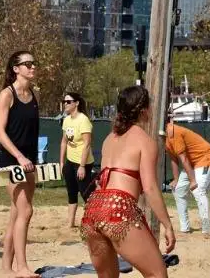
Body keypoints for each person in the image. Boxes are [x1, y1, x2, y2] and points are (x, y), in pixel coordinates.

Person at [80, 85, 175, 277]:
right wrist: (168, 225)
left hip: (93, 210)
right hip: (118, 208)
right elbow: (149, 187)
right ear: (144, 110)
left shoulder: (109, 139)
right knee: (157, 274)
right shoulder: (145, 142)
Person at [0, 51, 40, 278]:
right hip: (10, 161)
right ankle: (22, 267)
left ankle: (6, 267)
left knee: (16, 213)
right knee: (26, 210)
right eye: (28, 64)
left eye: (34, 63)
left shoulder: (33, 94)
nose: (33, 67)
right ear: (16, 68)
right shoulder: (7, 94)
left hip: (29, 162)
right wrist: (20, 157)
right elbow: (0, 133)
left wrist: (31, 160)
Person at [165, 121, 210, 234]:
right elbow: (173, 159)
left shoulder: (174, 133)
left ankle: (206, 229)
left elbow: (183, 159)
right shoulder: (164, 137)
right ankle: (185, 228)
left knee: (198, 190)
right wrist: (175, 179)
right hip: (192, 162)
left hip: (205, 157)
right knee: (178, 190)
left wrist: (193, 180)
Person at [60, 92, 96, 228]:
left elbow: (87, 144)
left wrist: (81, 166)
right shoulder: (67, 120)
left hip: (83, 162)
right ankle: (70, 223)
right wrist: (62, 162)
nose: (65, 104)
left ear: (77, 103)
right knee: (71, 192)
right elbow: (63, 142)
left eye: (68, 101)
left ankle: (94, 221)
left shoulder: (83, 120)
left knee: (86, 193)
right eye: (64, 101)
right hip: (70, 161)